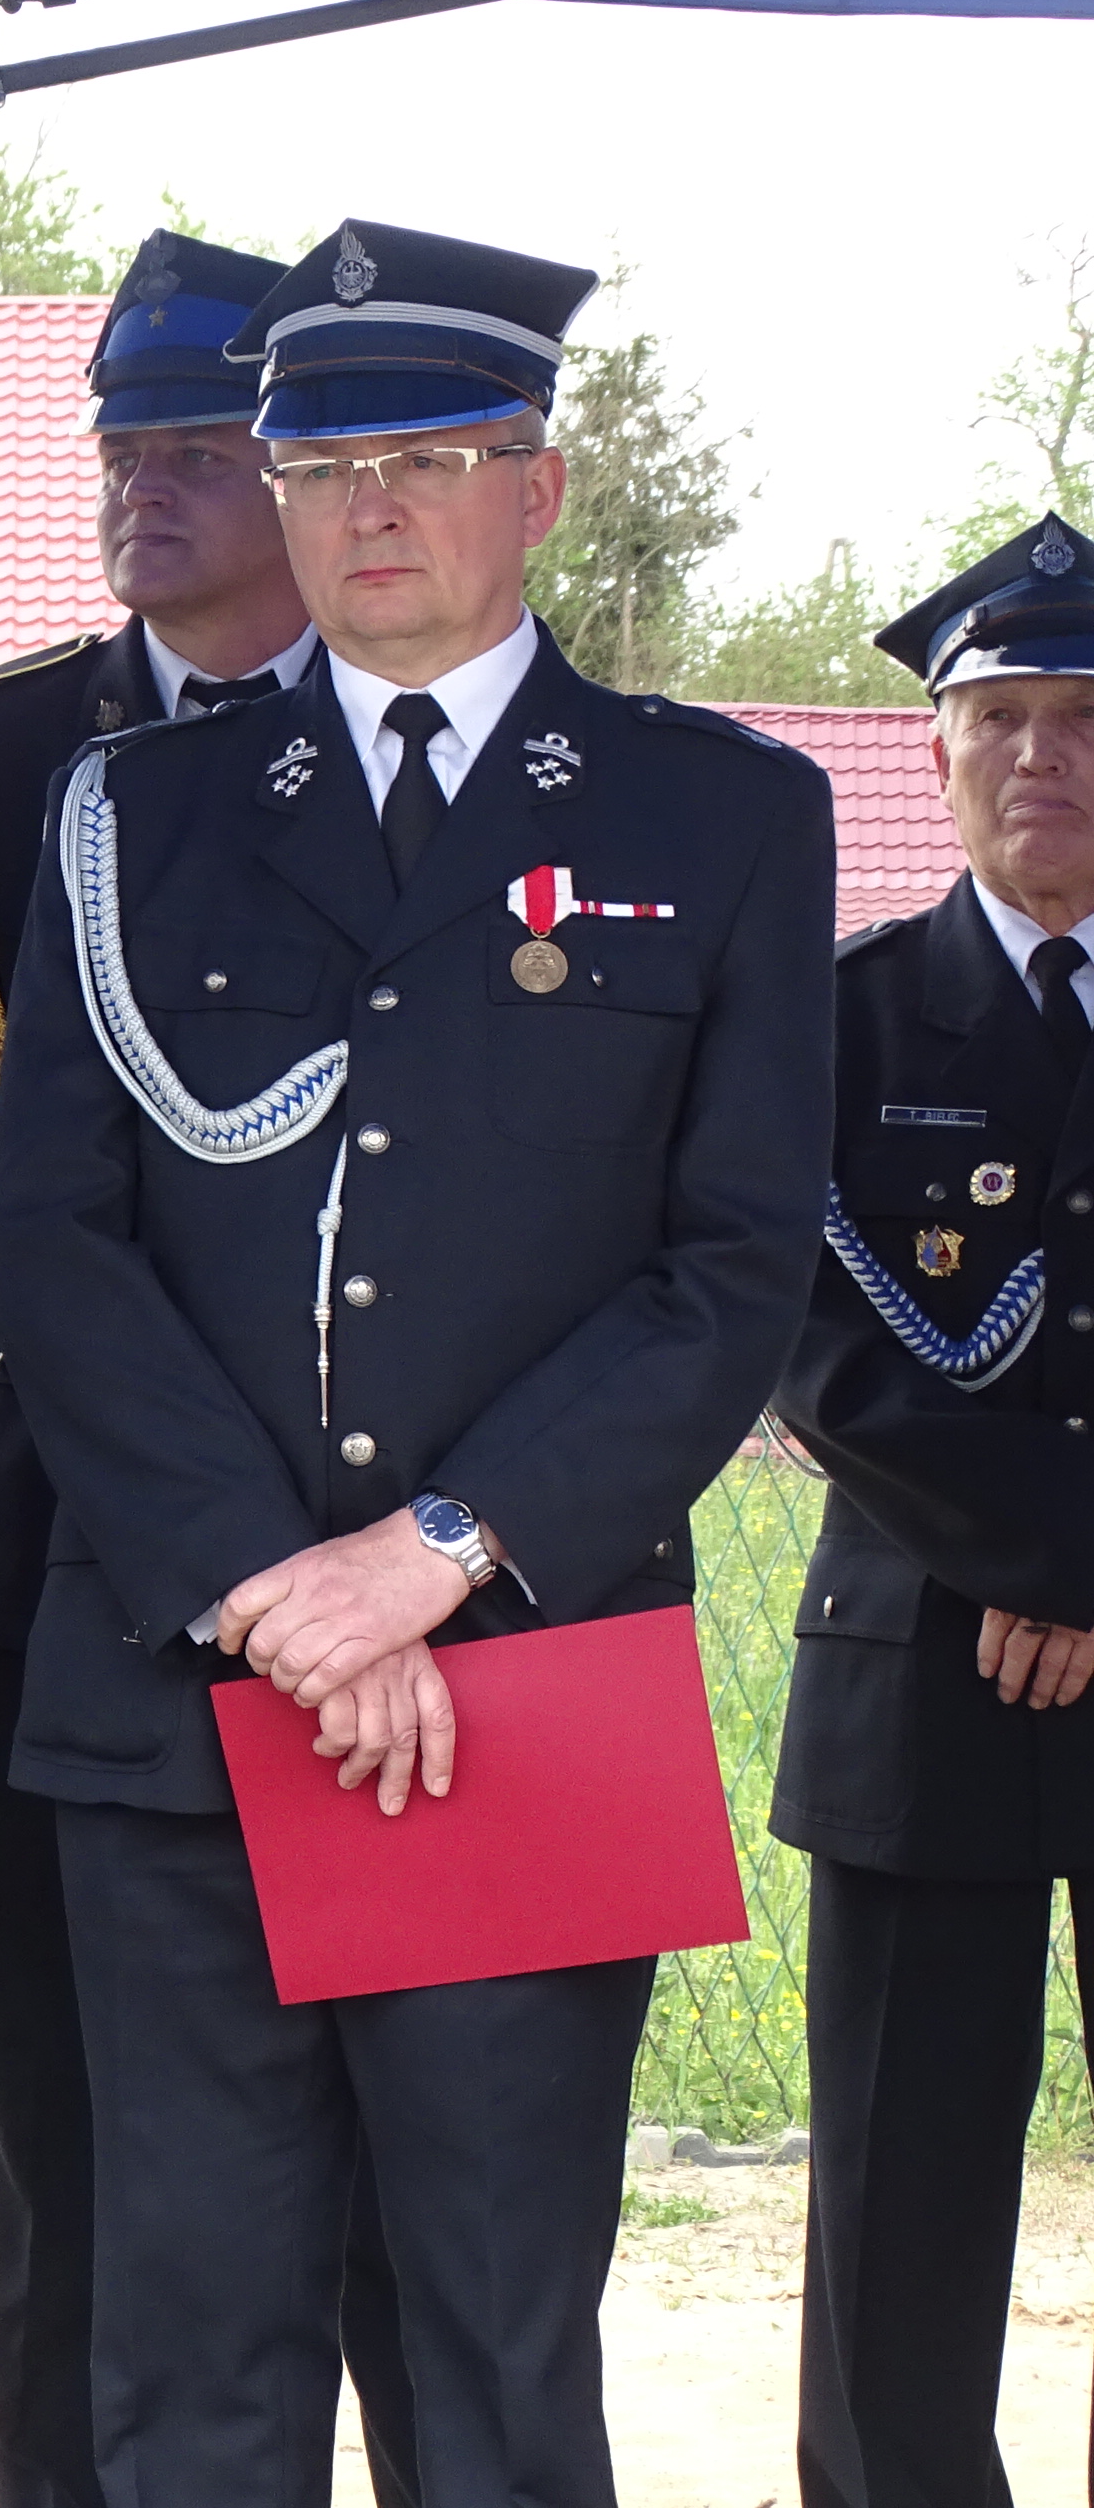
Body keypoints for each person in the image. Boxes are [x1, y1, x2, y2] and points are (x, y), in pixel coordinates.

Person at [0, 218, 834, 2503]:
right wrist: (278, 1587)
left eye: (433, 457)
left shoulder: (720, 816)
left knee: (492, 2372)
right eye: (325, 462)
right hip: (190, 1697)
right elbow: (55, 1242)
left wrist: (431, 1556)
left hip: (523, 1693)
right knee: (190, 2375)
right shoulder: (132, 815)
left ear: (538, 488)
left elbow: (733, 1269)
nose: (373, 507)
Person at [0, 229, 417, 2508]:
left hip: (408, 1563)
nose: (144, 484)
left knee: (420, 2172)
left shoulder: (434, 740)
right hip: (78, 1552)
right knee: (76, 2165)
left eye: (195, 442)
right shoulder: (6, 757)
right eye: (121, 444)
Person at [770, 514, 1094, 2507]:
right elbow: (814, 1351)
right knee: (901, 2198)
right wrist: (1058, 1562)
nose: (1042, 754)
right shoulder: (840, 1024)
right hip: (923, 1671)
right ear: (939, 749)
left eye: (1086, 717)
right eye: (1002, 717)